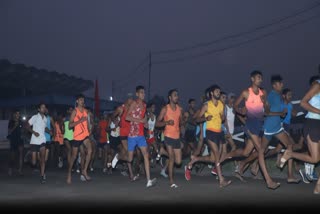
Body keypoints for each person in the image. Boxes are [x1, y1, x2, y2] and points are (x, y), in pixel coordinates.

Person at [280, 75, 320, 194]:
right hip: (313, 123)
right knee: (315, 158)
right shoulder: (317, 85)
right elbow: (303, 103)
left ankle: (318, 186)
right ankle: (290, 154)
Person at [126, 86, 157, 187]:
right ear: (137, 94)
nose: (143, 94)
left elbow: (143, 120)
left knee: (146, 155)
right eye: (141, 93)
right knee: (130, 159)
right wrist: (140, 121)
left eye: (144, 92)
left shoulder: (144, 106)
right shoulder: (134, 103)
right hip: (131, 135)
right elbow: (127, 117)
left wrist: (145, 124)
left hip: (140, 135)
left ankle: (148, 180)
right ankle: (119, 157)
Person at [156, 89, 183, 188]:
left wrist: (184, 118)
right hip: (168, 135)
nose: (177, 97)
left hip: (177, 137)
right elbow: (157, 123)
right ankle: (171, 181)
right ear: (170, 97)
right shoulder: (165, 109)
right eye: (175, 95)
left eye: (177, 95)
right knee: (171, 158)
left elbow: (180, 122)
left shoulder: (179, 109)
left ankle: (163, 152)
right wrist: (166, 123)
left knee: (178, 161)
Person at [67, 94, 92, 184]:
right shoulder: (75, 111)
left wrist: (88, 129)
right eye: (81, 100)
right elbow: (70, 126)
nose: (82, 101)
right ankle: (69, 173)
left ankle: (84, 170)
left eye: (83, 100)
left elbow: (88, 123)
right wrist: (79, 121)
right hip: (77, 137)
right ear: (77, 101)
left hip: (85, 135)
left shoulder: (86, 111)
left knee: (90, 150)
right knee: (73, 157)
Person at [26, 103, 48, 184]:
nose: (44, 109)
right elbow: (27, 126)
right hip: (35, 141)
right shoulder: (35, 117)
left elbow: (44, 127)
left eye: (45, 107)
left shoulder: (45, 118)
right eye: (42, 107)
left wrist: (49, 131)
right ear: (39, 109)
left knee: (42, 160)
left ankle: (42, 176)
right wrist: (34, 132)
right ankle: (29, 156)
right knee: (34, 162)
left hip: (42, 140)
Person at [7, 110, 24, 176]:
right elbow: (9, 132)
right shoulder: (11, 122)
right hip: (13, 140)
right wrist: (15, 126)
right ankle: (10, 168)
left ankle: (20, 170)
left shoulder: (21, 122)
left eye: (19, 114)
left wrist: (23, 132)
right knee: (12, 156)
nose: (18, 115)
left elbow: (23, 130)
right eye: (17, 114)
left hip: (20, 140)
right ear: (14, 114)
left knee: (21, 155)